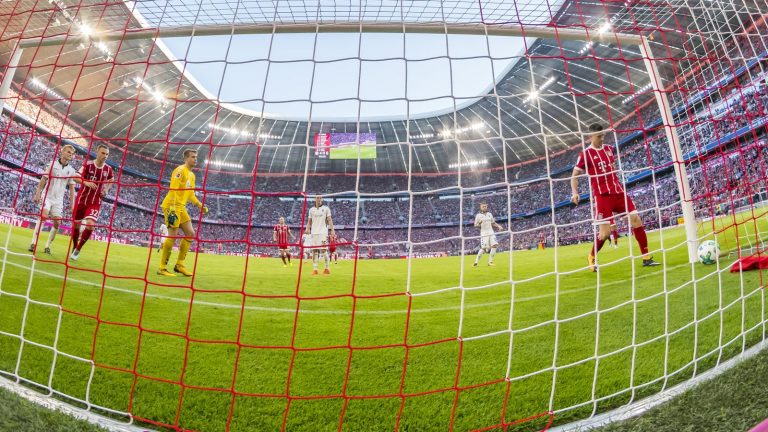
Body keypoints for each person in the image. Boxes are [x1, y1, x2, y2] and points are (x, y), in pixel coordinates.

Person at [570, 123, 660, 271]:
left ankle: (646, 258)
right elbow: (574, 176)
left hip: (618, 192)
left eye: (603, 135)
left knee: (636, 220)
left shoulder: (609, 149)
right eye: (599, 136)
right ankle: (592, 256)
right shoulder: (585, 155)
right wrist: (575, 192)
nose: (602, 139)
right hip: (602, 197)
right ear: (590, 137)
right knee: (605, 234)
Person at [156, 149, 208, 277]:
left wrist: (200, 205)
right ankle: (162, 268)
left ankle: (179, 265)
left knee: (190, 233)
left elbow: (190, 194)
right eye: (193, 157)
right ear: (186, 158)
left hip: (181, 207)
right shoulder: (180, 170)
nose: (195, 159)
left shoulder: (192, 175)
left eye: (196, 157)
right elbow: (173, 189)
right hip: (171, 206)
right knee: (173, 235)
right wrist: (173, 207)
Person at [29, 145, 77, 255]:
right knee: (43, 216)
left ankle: (47, 246)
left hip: (59, 200)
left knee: (57, 223)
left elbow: (72, 188)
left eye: (72, 153)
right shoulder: (52, 164)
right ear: (62, 152)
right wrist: (38, 194)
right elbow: (44, 179)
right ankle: (33, 243)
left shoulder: (71, 170)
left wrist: (72, 204)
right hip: (47, 196)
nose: (70, 154)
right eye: (69, 152)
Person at [70, 144, 114, 261]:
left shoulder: (108, 169)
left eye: (107, 154)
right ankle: (74, 246)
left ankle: (78, 249)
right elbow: (75, 177)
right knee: (76, 226)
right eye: (103, 153)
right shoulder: (88, 165)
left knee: (90, 225)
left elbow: (111, 179)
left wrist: (106, 189)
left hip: (95, 201)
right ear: (97, 152)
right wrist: (86, 182)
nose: (105, 156)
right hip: (81, 200)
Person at [307, 195, 334, 275]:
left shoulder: (326, 209)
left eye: (320, 198)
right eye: (317, 198)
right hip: (314, 233)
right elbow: (309, 221)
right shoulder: (311, 210)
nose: (318, 199)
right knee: (314, 250)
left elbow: (329, 220)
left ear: (322, 199)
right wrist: (307, 229)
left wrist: (332, 230)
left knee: (323, 250)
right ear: (315, 199)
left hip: (323, 233)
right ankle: (315, 269)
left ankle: (327, 268)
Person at [473, 202, 503, 267]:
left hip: (491, 232)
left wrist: (498, 226)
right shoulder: (478, 216)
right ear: (480, 207)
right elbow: (475, 225)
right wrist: (479, 224)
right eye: (483, 206)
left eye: (485, 206)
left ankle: (490, 262)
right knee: (484, 248)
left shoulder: (490, 214)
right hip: (484, 233)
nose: (485, 207)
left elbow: (493, 223)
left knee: (495, 245)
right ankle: (476, 262)